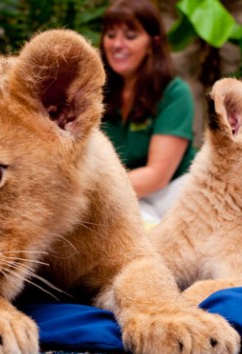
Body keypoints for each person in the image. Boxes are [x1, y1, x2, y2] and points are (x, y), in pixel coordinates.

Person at [99, 0, 197, 224]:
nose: (117, 44)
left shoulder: (174, 93)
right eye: (111, 35)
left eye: (130, 36)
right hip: (126, 193)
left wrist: (91, 191)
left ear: (152, 43)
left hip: (175, 192)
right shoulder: (97, 91)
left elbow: (156, 176)